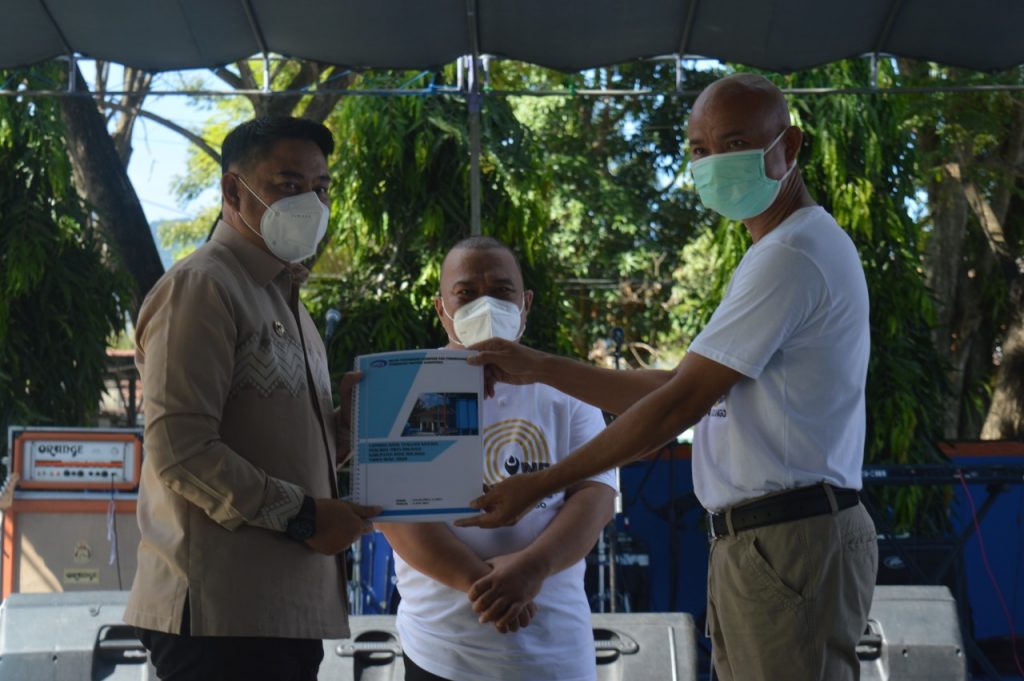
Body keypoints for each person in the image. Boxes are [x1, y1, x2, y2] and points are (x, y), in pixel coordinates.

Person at [456, 74, 878, 681]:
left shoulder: (792, 253)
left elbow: (679, 404)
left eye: (732, 144)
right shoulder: (777, 250)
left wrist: (540, 482)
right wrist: (539, 366)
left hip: (789, 537)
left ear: (791, 146)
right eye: (699, 150)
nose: (712, 163)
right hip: (764, 541)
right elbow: (680, 386)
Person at [125, 116, 379, 681]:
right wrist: (307, 516)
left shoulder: (288, 302)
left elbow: (273, 445)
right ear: (234, 191)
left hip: (280, 612)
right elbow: (181, 449)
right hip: (222, 617)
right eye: (289, 185)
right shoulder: (204, 286)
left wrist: (341, 433)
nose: (310, 203)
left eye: (321, 188)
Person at [376, 237, 618, 681]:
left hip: (558, 653)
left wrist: (533, 568)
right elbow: (395, 515)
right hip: (442, 653)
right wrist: (486, 587)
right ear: (441, 308)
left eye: (502, 291)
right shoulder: (404, 389)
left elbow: (597, 496)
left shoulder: (567, 385)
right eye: (466, 294)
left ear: (525, 303)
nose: (485, 305)